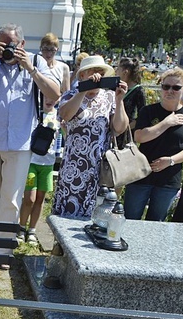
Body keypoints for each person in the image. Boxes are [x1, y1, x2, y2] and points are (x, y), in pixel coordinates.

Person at [0, 23, 60, 266]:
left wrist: (30, 69)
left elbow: (55, 93)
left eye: (9, 43)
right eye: (1, 42)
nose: (5, 47)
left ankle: (1, 250)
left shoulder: (36, 62)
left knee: (11, 197)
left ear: (21, 44)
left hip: (20, 142)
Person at [53, 55, 129, 219]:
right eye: (92, 72)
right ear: (82, 75)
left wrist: (120, 100)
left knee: (96, 217)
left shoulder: (109, 97)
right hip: (73, 168)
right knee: (68, 215)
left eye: (100, 72)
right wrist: (83, 91)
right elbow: (65, 115)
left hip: (99, 170)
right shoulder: (71, 95)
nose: (97, 75)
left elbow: (120, 127)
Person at [125, 68, 183, 221]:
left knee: (156, 224)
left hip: (168, 180)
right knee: (130, 221)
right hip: (141, 175)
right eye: (165, 86)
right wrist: (166, 123)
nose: (170, 91)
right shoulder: (148, 111)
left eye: (176, 88)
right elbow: (140, 137)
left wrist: (170, 161)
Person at [18, 97, 62, 244]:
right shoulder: (34, 112)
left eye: (54, 96)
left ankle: (32, 230)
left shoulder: (60, 114)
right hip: (31, 161)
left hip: (48, 163)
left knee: (40, 198)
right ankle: (21, 228)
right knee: (29, 198)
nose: (49, 99)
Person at [116, 57, 146, 131]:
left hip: (126, 132)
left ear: (125, 72)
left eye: (118, 69)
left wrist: (125, 128)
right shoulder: (116, 87)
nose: (116, 71)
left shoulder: (138, 91)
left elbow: (142, 116)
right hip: (113, 129)